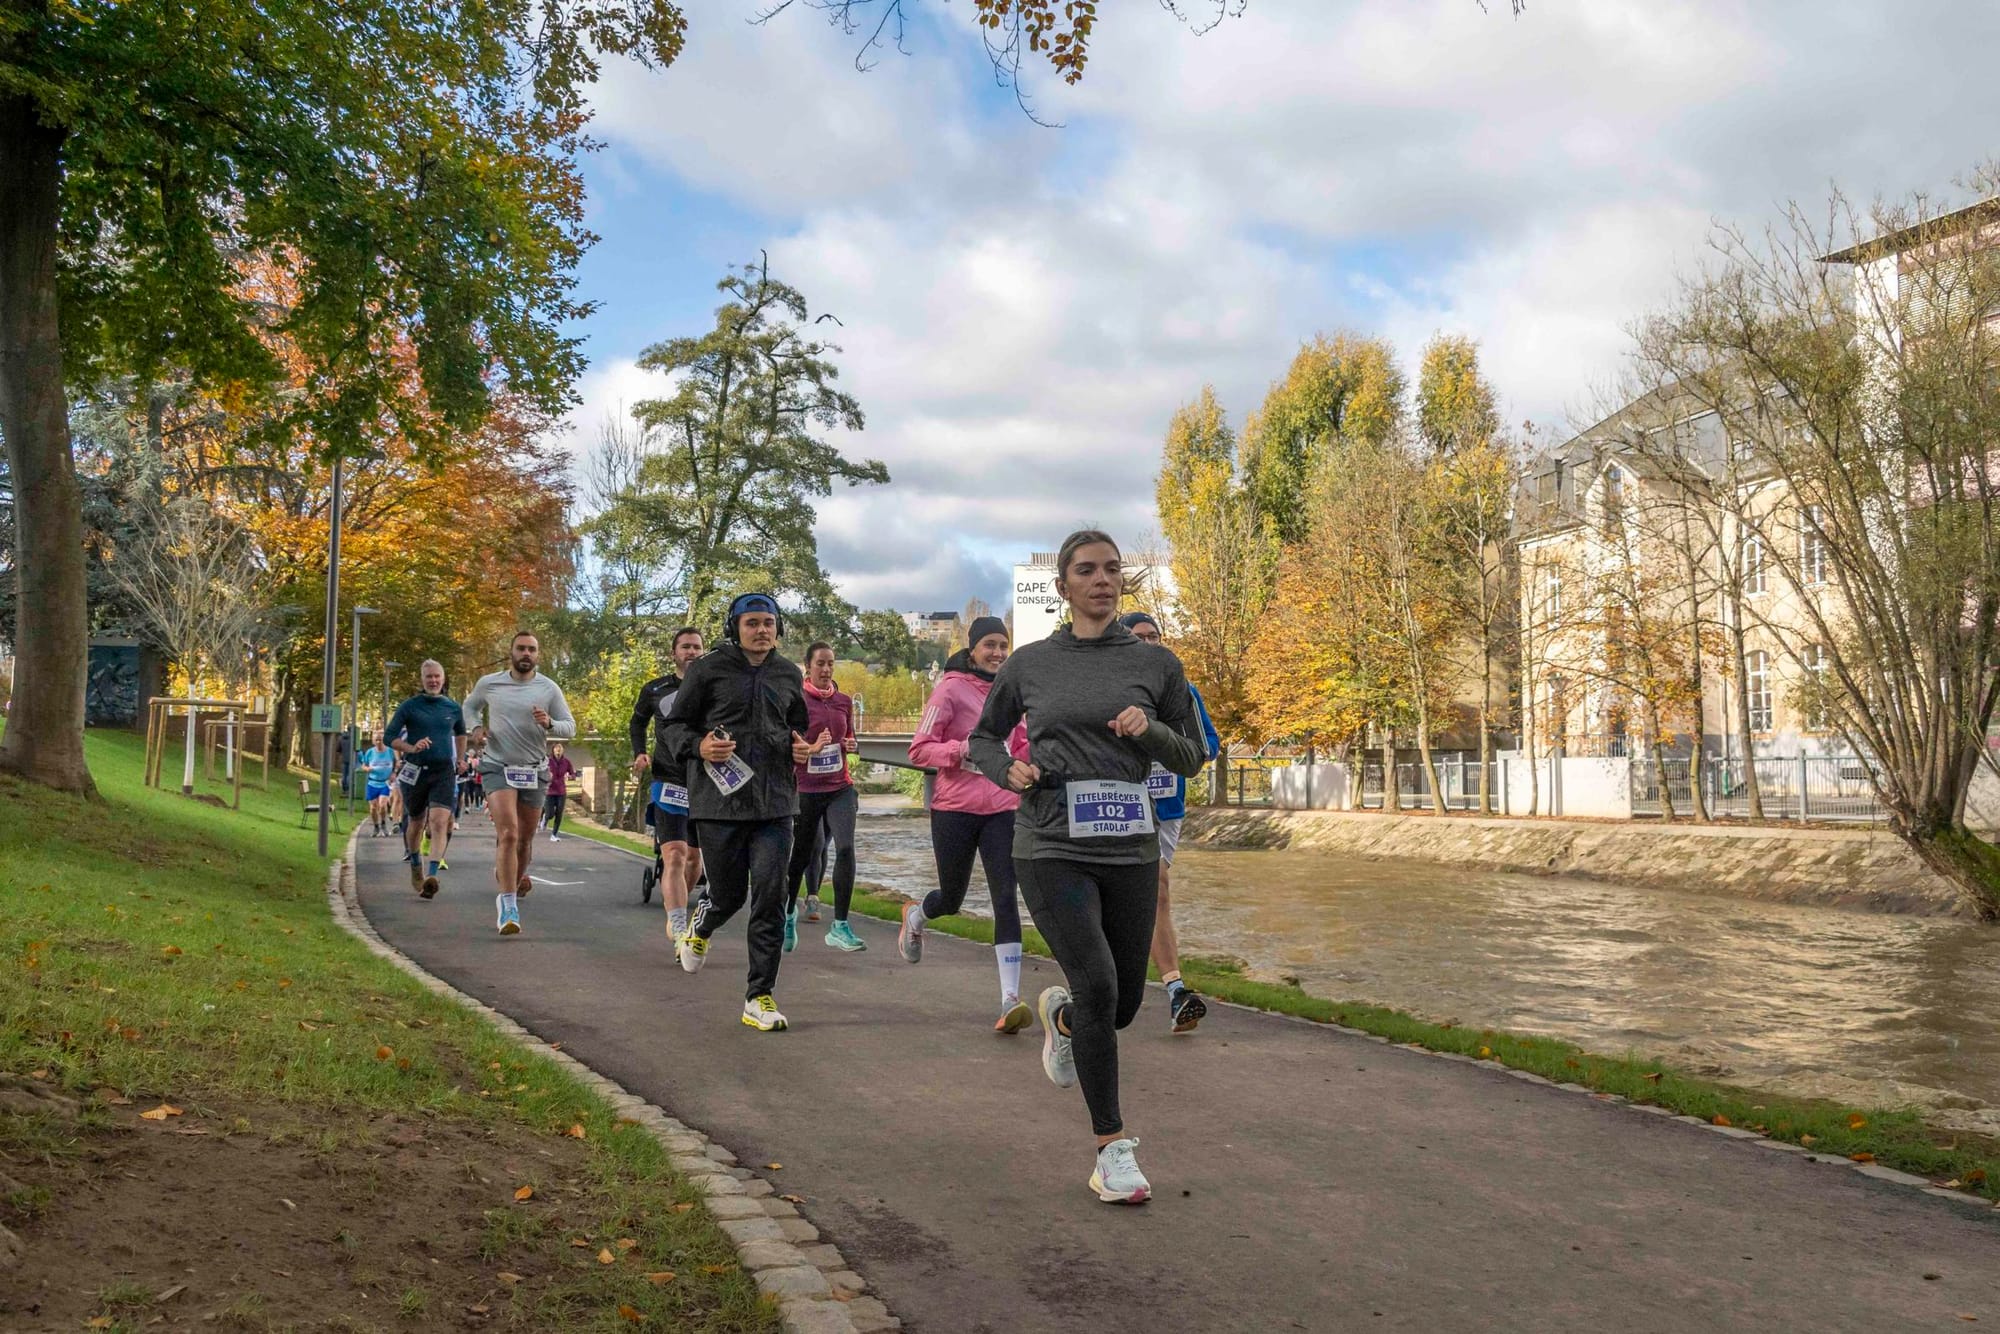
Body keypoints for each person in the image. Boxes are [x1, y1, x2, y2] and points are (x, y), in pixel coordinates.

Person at [968, 530, 1206, 1205]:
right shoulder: (1030, 663)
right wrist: (1006, 770)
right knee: (1099, 982)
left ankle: (1067, 1021)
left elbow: (1192, 755)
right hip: (1050, 843)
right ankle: (1112, 1151)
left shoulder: (1157, 664)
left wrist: (1149, 731)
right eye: (1086, 570)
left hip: (1130, 849)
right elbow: (982, 738)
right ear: (1063, 586)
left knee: (1121, 1006)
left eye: (1111, 569)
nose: (1102, 579)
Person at [660, 594, 812, 1031]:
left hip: (775, 802)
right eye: (752, 623)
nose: (762, 630)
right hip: (719, 803)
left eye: (769, 623)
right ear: (735, 628)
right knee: (729, 895)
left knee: (771, 894)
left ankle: (759, 996)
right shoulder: (707, 669)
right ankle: (701, 926)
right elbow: (673, 727)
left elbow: (796, 725)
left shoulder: (788, 673)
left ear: (778, 628)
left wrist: (799, 747)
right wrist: (699, 746)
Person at [905, 616, 1033, 1032]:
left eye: (1003, 645)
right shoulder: (950, 689)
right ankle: (917, 917)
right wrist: (962, 750)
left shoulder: (1011, 692)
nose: (998, 653)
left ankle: (1009, 998)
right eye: (990, 645)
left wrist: (1030, 763)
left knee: (1005, 897)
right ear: (973, 648)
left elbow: (1022, 744)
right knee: (952, 898)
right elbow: (918, 750)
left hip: (1002, 808)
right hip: (955, 809)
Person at [1121, 610, 1223, 1034]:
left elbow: (1209, 745)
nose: (1149, 643)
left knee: (1157, 893)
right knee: (1142, 890)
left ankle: (1175, 993)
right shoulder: (1112, 687)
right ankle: (1105, 985)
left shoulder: (1183, 689)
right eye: (1139, 637)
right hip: (1120, 804)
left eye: (1155, 636)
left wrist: (1169, 743)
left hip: (1166, 809)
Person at [464, 631, 576, 936]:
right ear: (511, 652)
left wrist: (549, 723)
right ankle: (509, 906)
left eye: (532, 649)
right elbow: (470, 707)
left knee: (525, 840)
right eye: (521, 648)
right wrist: (476, 728)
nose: (526, 653)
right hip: (497, 765)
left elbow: (570, 727)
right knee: (509, 834)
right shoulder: (490, 683)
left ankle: (511, 881)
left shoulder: (548, 688)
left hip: (534, 770)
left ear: (538, 655)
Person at [785, 643, 863, 953]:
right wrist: (812, 748)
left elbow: (849, 735)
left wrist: (851, 744)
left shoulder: (844, 701)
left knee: (845, 848)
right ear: (808, 666)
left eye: (831, 663)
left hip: (839, 787)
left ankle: (840, 926)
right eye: (820, 663)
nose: (827, 669)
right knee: (802, 854)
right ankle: (788, 913)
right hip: (806, 789)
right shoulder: (797, 702)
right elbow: (788, 745)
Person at [631, 628, 707, 943]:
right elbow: (637, 722)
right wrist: (639, 753)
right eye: (685, 647)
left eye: (697, 647)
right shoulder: (655, 689)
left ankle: (678, 904)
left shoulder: (714, 688)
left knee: (693, 858)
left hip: (704, 783)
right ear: (673, 653)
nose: (692, 652)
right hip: (668, 779)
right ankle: (677, 926)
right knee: (674, 853)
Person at [385, 660, 466, 900]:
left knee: (439, 821)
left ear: (443, 678)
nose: (433, 680)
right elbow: (390, 737)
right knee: (416, 822)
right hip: (415, 770)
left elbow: (461, 733)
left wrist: (461, 759)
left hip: (443, 771)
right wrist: (411, 747)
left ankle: (432, 876)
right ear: (422, 679)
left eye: (437, 676)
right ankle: (415, 865)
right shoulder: (410, 706)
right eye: (429, 676)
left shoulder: (453, 707)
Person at [360, 730, 397, 836]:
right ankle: (376, 826)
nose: (378, 742)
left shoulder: (390, 751)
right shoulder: (370, 752)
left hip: (385, 783)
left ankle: (383, 824)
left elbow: (397, 763)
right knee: (373, 808)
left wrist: (394, 773)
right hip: (372, 783)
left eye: (380, 740)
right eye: (376, 740)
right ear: (373, 741)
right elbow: (363, 765)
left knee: (382, 805)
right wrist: (367, 769)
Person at [543, 743, 575, 841]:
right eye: (557, 748)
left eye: (560, 748)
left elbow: (573, 774)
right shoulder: (547, 761)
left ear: (563, 750)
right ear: (553, 750)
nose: (558, 750)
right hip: (550, 791)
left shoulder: (566, 762)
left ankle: (554, 835)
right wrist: (547, 776)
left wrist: (570, 777)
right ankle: (545, 818)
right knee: (550, 814)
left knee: (559, 813)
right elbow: (540, 772)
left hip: (561, 791)